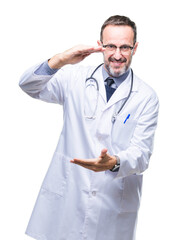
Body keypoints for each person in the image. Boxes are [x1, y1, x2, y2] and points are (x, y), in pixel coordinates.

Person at [19, 15, 159, 240]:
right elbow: (28, 85)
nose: (117, 54)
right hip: (68, 199)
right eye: (110, 46)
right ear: (100, 45)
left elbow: (142, 154)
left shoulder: (146, 97)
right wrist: (62, 59)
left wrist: (114, 163)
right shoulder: (74, 79)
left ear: (135, 48)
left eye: (125, 47)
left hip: (112, 207)